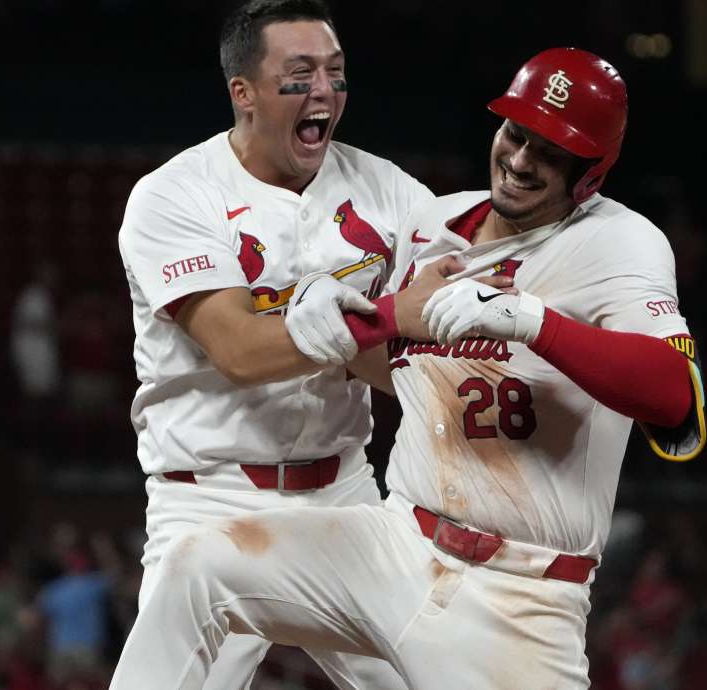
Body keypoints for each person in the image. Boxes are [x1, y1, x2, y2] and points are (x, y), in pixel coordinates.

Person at [109, 47, 706, 690]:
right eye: (516, 133)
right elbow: (396, 360)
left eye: (551, 152)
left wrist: (533, 322)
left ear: (591, 173)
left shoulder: (619, 241)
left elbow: (673, 394)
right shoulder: (433, 222)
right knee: (199, 567)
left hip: (520, 595)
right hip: (395, 546)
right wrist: (331, 317)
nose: (520, 160)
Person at [114, 0, 438, 688]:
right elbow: (240, 351)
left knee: (430, 679)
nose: (324, 89)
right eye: (301, 72)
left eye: (335, 71)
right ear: (244, 92)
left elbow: (412, 368)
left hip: (344, 494)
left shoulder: (391, 192)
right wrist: (382, 318)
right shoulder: (175, 195)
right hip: (211, 499)